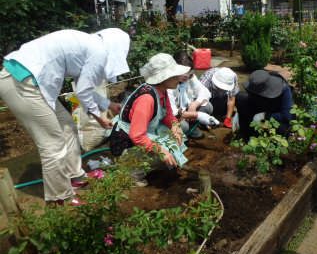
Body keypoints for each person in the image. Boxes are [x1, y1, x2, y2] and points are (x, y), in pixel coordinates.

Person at [0, 28, 131, 204]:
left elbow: (83, 87)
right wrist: (100, 118)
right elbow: (83, 91)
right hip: (21, 82)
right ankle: (60, 198)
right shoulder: (98, 51)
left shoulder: (88, 46)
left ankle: (75, 175)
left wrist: (108, 105)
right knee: (53, 144)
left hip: (28, 80)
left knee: (67, 126)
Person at [108, 53, 189, 186]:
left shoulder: (162, 91)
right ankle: (133, 173)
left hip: (139, 134)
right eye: (174, 75)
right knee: (166, 153)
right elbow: (137, 136)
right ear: (164, 78)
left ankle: (154, 163)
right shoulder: (147, 99)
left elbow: (168, 113)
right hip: (126, 143)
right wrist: (162, 151)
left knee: (176, 140)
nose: (178, 78)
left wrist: (175, 125)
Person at [168, 51, 216, 139]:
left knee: (208, 106)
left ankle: (191, 129)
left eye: (189, 72)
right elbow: (173, 112)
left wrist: (194, 105)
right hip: (173, 115)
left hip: (186, 111)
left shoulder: (190, 77)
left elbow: (204, 92)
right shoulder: (169, 84)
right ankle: (177, 137)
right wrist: (194, 114)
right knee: (183, 126)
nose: (186, 76)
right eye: (183, 72)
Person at [236, 70, 293, 141]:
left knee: (282, 128)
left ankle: (272, 143)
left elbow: (287, 116)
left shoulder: (284, 89)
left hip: (274, 116)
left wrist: (265, 115)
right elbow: (249, 101)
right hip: (259, 109)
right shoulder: (255, 86)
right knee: (241, 97)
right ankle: (245, 137)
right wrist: (240, 114)